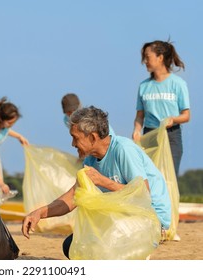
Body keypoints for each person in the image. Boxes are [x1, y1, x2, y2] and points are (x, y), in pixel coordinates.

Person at [22, 106, 171, 259]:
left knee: (104, 249)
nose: (73, 144)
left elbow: (143, 194)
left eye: (75, 138)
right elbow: (73, 197)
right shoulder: (90, 160)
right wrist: (39, 213)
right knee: (72, 245)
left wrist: (103, 181)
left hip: (151, 219)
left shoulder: (123, 149)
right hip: (123, 217)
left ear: (92, 137)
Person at [132, 40, 190, 177]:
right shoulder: (144, 86)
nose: (145, 61)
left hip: (171, 136)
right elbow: (140, 115)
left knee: (169, 178)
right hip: (149, 135)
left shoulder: (178, 84)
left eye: (148, 57)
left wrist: (172, 119)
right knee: (150, 177)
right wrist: (137, 130)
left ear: (160, 58)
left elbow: (186, 115)